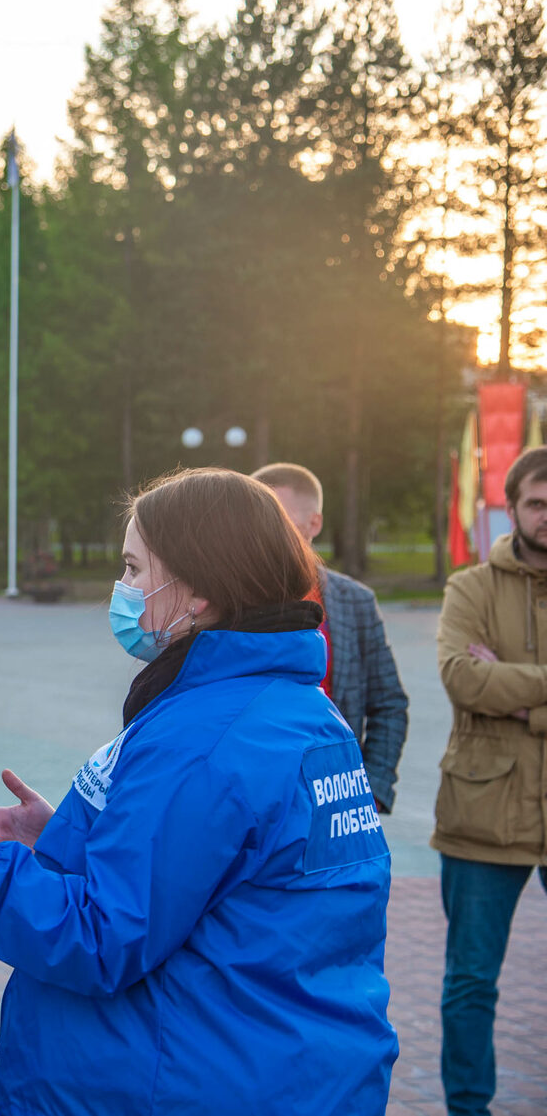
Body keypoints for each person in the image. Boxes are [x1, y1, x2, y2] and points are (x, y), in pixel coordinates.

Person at [0, 467, 397, 1115]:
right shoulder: (303, 713)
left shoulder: (206, 738)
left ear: (198, 592)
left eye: (134, 568)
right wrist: (68, 836)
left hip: (187, 1076)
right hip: (283, 1064)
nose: (121, 590)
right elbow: (221, 879)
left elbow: (101, 939)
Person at [433, 445, 547, 1116]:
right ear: (513, 507)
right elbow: (462, 678)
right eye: (537, 501)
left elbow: (488, 684)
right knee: (472, 980)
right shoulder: (469, 587)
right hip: (483, 808)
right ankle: (467, 1107)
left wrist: (516, 694)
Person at [253, 462, 410, 813]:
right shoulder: (222, 600)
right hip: (251, 798)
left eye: (282, 525)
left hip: (335, 798)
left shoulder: (355, 602)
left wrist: (373, 790)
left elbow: (388, 703)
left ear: (315, 524)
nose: (267, 539)